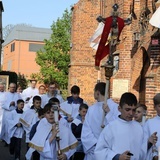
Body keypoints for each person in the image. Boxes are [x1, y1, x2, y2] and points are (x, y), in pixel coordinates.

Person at [94, 92, 148, 160]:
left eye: (134, 110)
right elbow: (100, 151)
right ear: (119, 108)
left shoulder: (139, 128)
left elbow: (143, 151)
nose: (131, 113)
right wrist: (117, 157)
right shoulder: (111, 127)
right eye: (127, 109)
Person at [81, 82, 120, 160]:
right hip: (94, 151)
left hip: (110, 151)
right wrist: (98, 145)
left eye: (94, 91)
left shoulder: (115, 108)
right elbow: (86, 130)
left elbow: (119, 128)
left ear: (98, 93)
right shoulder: (91, 109)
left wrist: (109, 113)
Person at [143, 93, 160, 160]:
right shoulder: (149, 123)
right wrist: (153, 156)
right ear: (154, 107)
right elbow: (144, 145)